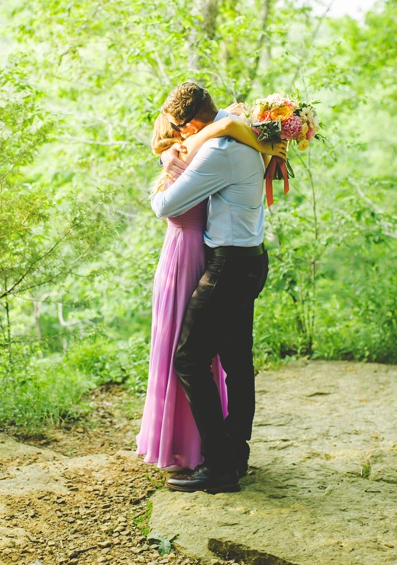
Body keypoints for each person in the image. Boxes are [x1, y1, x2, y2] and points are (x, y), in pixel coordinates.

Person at [149, 81, 285, 493]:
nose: (178, 133)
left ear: (191, 122)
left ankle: (220, 466)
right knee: (236, 362)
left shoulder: (218, 152)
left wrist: (169, 165)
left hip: (227, 266)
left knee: (189, 359)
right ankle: (236, 454)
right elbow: (227, 121)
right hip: (252, 259)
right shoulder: (239, 125)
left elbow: (165, 206)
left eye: (179, 126)